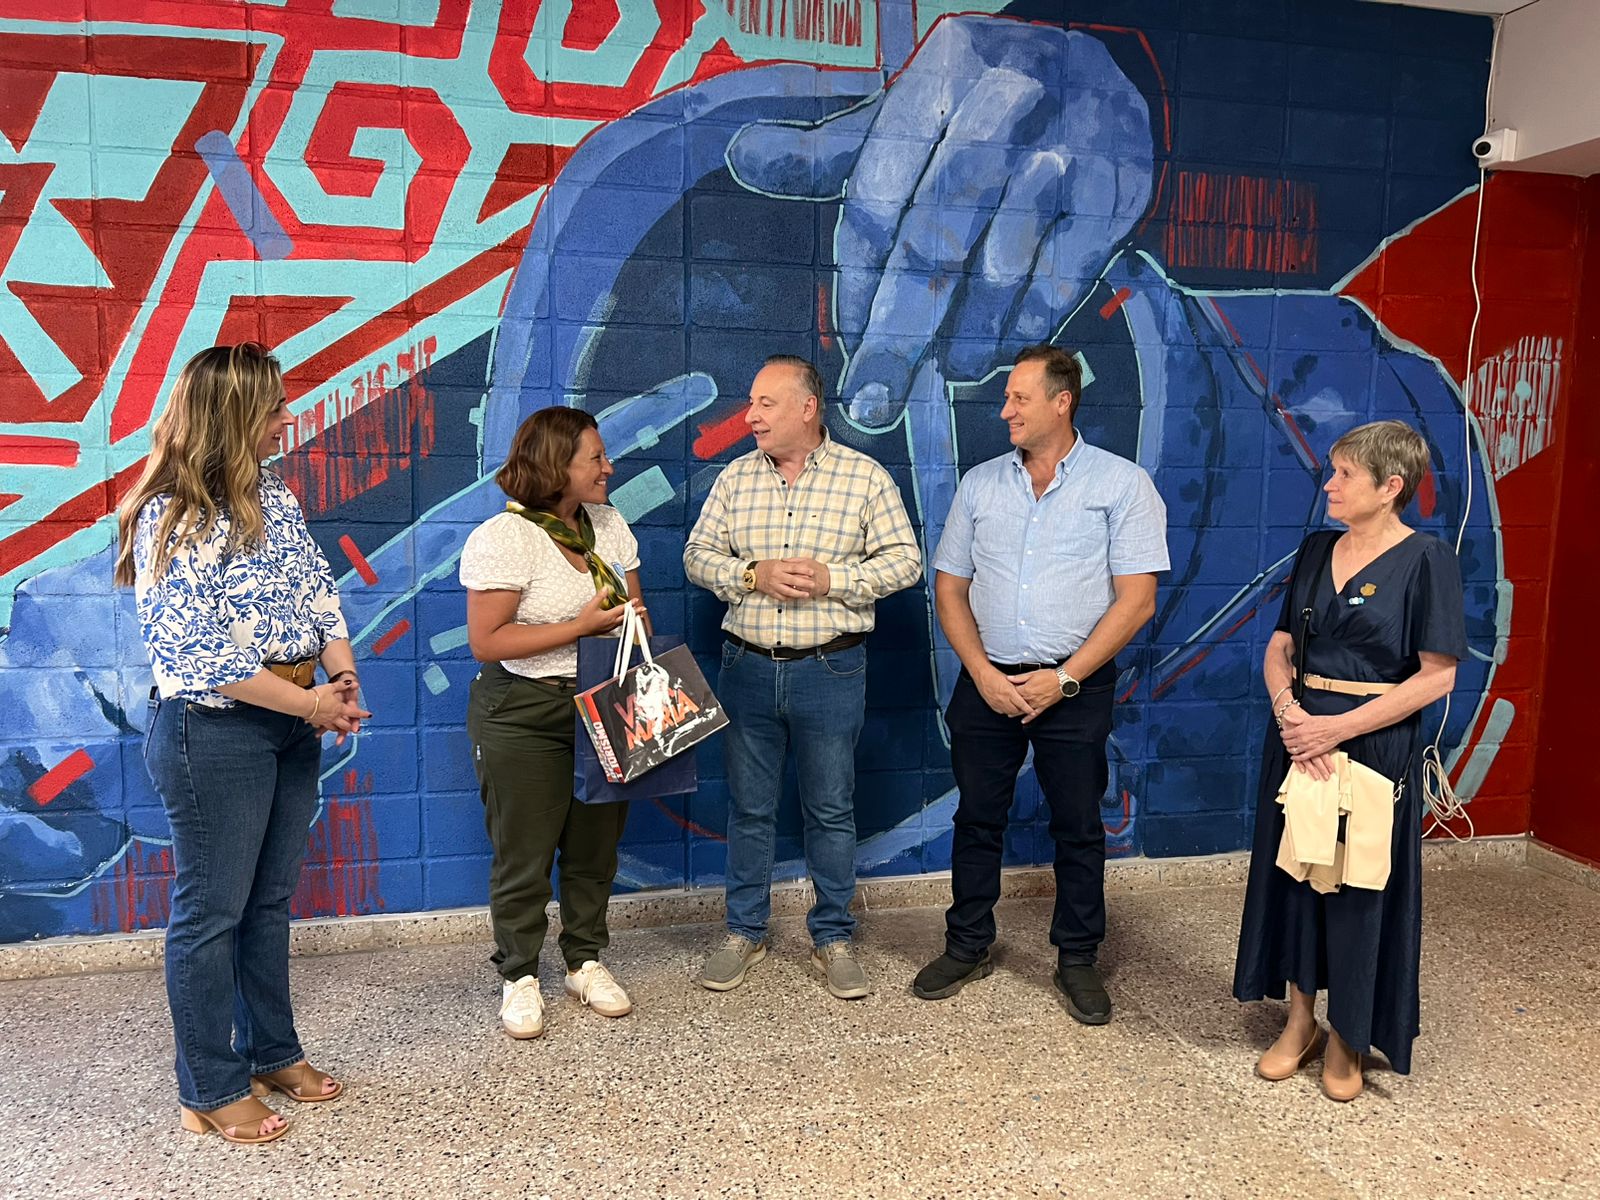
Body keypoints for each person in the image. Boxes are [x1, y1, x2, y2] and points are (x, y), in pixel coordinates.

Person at [114, 342, 370, 1145]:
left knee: (267, 902)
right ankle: (209, 1087)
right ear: (233, 415)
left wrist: (341, 678)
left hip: (293, 719)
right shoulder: (171, 515)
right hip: (214, 731)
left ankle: (273, 1053)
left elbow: (318, 593)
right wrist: (312, 703)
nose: (287, 417)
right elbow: (200, 655)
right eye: (274, 406)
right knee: (211, 912)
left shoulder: (275, 494)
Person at [912, 344, 1168, 1024]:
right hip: (987, 682)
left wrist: (1064, 679)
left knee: (1078, 826)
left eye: (1019, 398)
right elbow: (950, 589)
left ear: (1062, 401)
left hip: (1076, 688)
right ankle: (967, 944)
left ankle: (1077, 957)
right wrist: (982, 674)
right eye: (1006, 398)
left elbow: (1137, 600)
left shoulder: (1121, 485)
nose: (1005, 410)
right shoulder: (980, 485)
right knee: (977, 818)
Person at [1234, 420, 1467, 1101]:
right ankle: (1300, 1020)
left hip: (1369, 743)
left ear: (1391, 486)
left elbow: (1438, 676)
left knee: (1360, 887)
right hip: (1299, 734)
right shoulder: (1316, 550)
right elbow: (1280, 646)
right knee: (1297, 876)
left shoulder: (1426, 560)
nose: (1329, 484)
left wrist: (1337, 729)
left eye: (1344, 475)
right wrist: (1290, 713)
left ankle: (1349, 1035)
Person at [684, 354, 920, 1000]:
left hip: (831, 668)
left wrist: (832, 579)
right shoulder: (736, 478)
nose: (750, 416)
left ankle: (833, 937)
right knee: (749, 809)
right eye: (751, 404)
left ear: (807, 408)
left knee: (831, 809)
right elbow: (696, 556)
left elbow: (906, 562)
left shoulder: (865, 478)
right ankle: (745, 930)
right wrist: (750, 574)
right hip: (748, 668)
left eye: (765, 403)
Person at [461, 407, 648, 1040]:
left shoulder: (610, 525)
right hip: (523, 712)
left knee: (596, 846)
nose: (608, 468)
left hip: (603, 702)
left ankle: (584, 962)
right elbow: (487, 641)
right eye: (595, 458)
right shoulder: (505, 537)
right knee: (525, 853)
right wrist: (580, 628)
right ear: (555, 466)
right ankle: (519, 974)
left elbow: (635, 609)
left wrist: (630, 627)